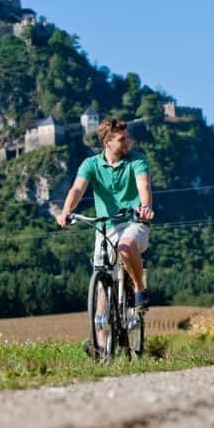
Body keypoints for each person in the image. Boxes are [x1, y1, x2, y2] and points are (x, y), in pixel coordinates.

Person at [57, 118, 155, 310]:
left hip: (134, 222)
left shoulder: (137, 160)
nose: (128, 142)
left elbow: (144, 185)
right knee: (101, 287)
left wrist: (145, 207)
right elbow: (77, 189)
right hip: (105, 228)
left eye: (128, 138)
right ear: (106, 143)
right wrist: (66, 211)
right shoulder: (91, 164)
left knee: (125, 248)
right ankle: (100, 339)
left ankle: (139, 288)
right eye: (122, 139)